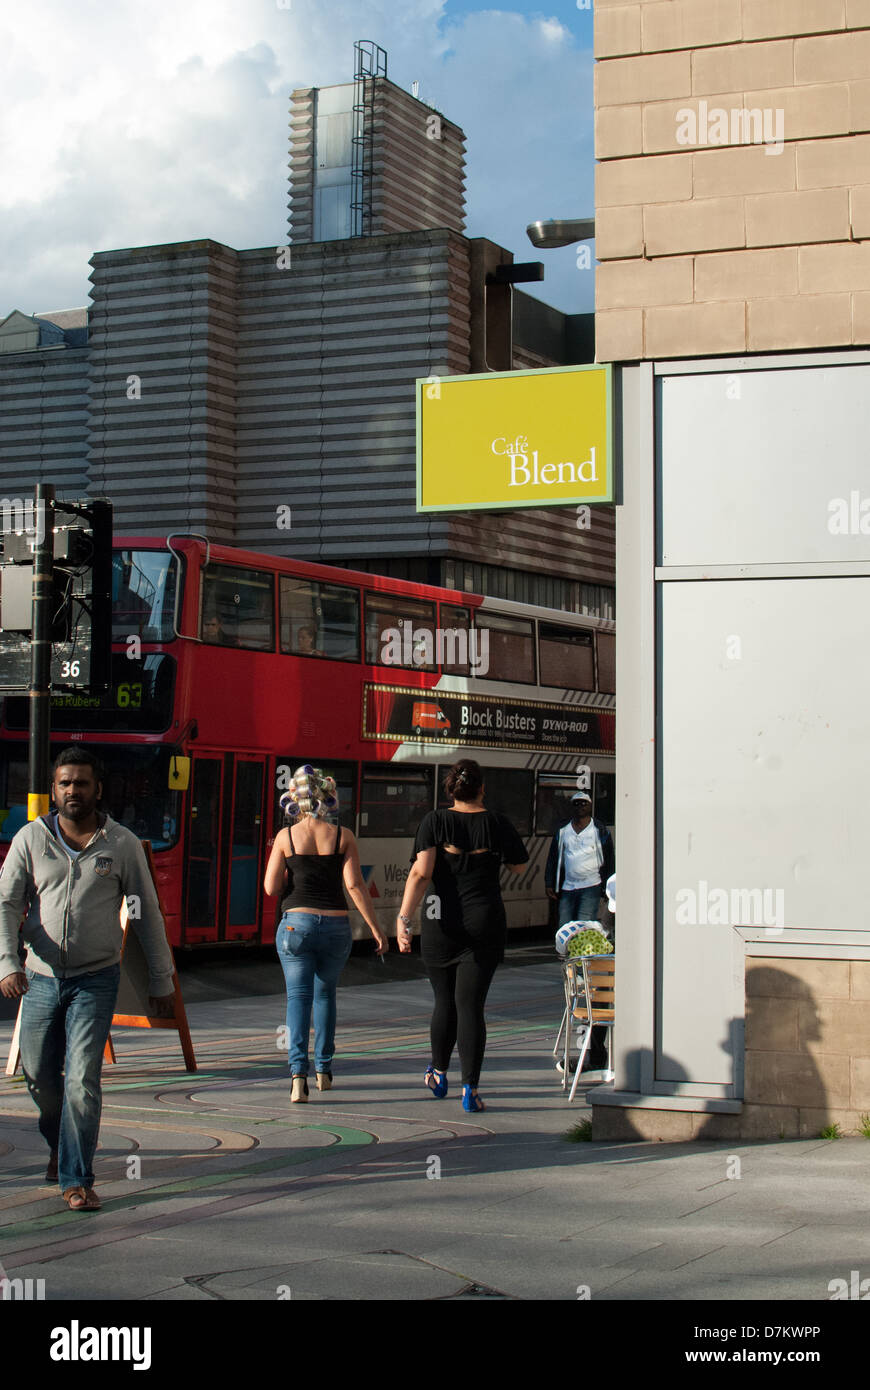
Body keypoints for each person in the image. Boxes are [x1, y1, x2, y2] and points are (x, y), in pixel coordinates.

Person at [0, 747, 176, 1211]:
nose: (72, 791)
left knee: (82, 1079)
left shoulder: (120, 844)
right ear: (53, 790)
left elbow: (148, 915)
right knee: (39, 1076)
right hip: (38, 978)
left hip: (95, 980)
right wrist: (7, 963)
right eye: (64, 783)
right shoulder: (30, 839)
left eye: (81, 783)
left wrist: (162, 980)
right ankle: (61, 1143)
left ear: (98, 788)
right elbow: (6, 903)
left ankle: (77, 1177)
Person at [396, 758, 528, 1112]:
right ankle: (470, 1089)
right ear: (482, 788)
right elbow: (518, 865)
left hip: (440, 920)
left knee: (444, 1001)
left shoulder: (434, 821)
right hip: (485, 920)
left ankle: (438, 1073)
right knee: (471, 1007)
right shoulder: (497, 822)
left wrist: (403, 919)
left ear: (450, 789)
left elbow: (420, 874)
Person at [264, 764, 387, 1102]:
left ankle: (297, 1079)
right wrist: (377, 929)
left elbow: (271, 887)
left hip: (295, 925)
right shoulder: (343, 836)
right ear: (327, 797)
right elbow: (354, 885)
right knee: (326, 996)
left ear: (295, 799)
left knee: (297, 999)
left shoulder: (285, 837)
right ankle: (325, 1071)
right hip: (335, 926)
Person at [545, 791, 614, 930]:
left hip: (591, 886)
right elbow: (553, 857)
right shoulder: (563, 830)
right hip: (567, 886)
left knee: (584, 926)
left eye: (584, 803)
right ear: (572, 807)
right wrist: (549, 882)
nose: (580, 806)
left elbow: (609, 859)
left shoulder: (599, 830)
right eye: (576, 803)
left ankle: (581, 952)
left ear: (590, 806)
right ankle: (565, 952)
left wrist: (608, 887)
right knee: (564, 926)